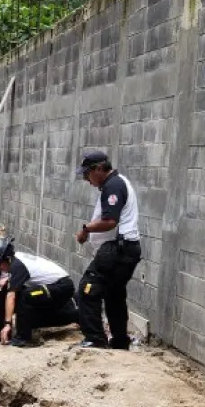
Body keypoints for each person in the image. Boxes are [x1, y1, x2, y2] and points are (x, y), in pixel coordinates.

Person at [74, 150, 142, 350]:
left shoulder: (113, 185)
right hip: (126, 248)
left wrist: (86, 229)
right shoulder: (115, 183)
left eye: (88, 174)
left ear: (98, 169)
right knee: (113, 295)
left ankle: (95, 338)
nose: (87, 180)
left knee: (87, 289)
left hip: (118, 250)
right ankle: (120, 341)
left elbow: (110, 221)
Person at [0, 238, 77, 347]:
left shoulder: (17, 265)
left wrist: (8, 323)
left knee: (26, 295)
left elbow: (11, 296)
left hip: (62, 287)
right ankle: (1, 331)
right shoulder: (14, 259)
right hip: (48, 286)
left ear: (5, 259)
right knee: (3, 288)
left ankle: (23, 337)